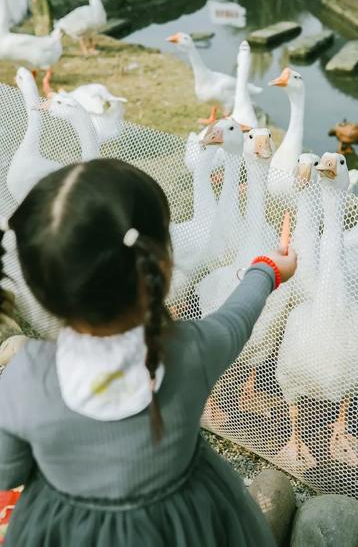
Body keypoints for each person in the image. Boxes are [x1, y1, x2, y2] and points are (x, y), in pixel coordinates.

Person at [0, 158, 297, 546]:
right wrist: (268, 269)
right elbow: (236, 317)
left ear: (40, 288)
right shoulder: (191, 350)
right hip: (188, 527)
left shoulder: (26, 376)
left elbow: (8, 471)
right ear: (162, 265)